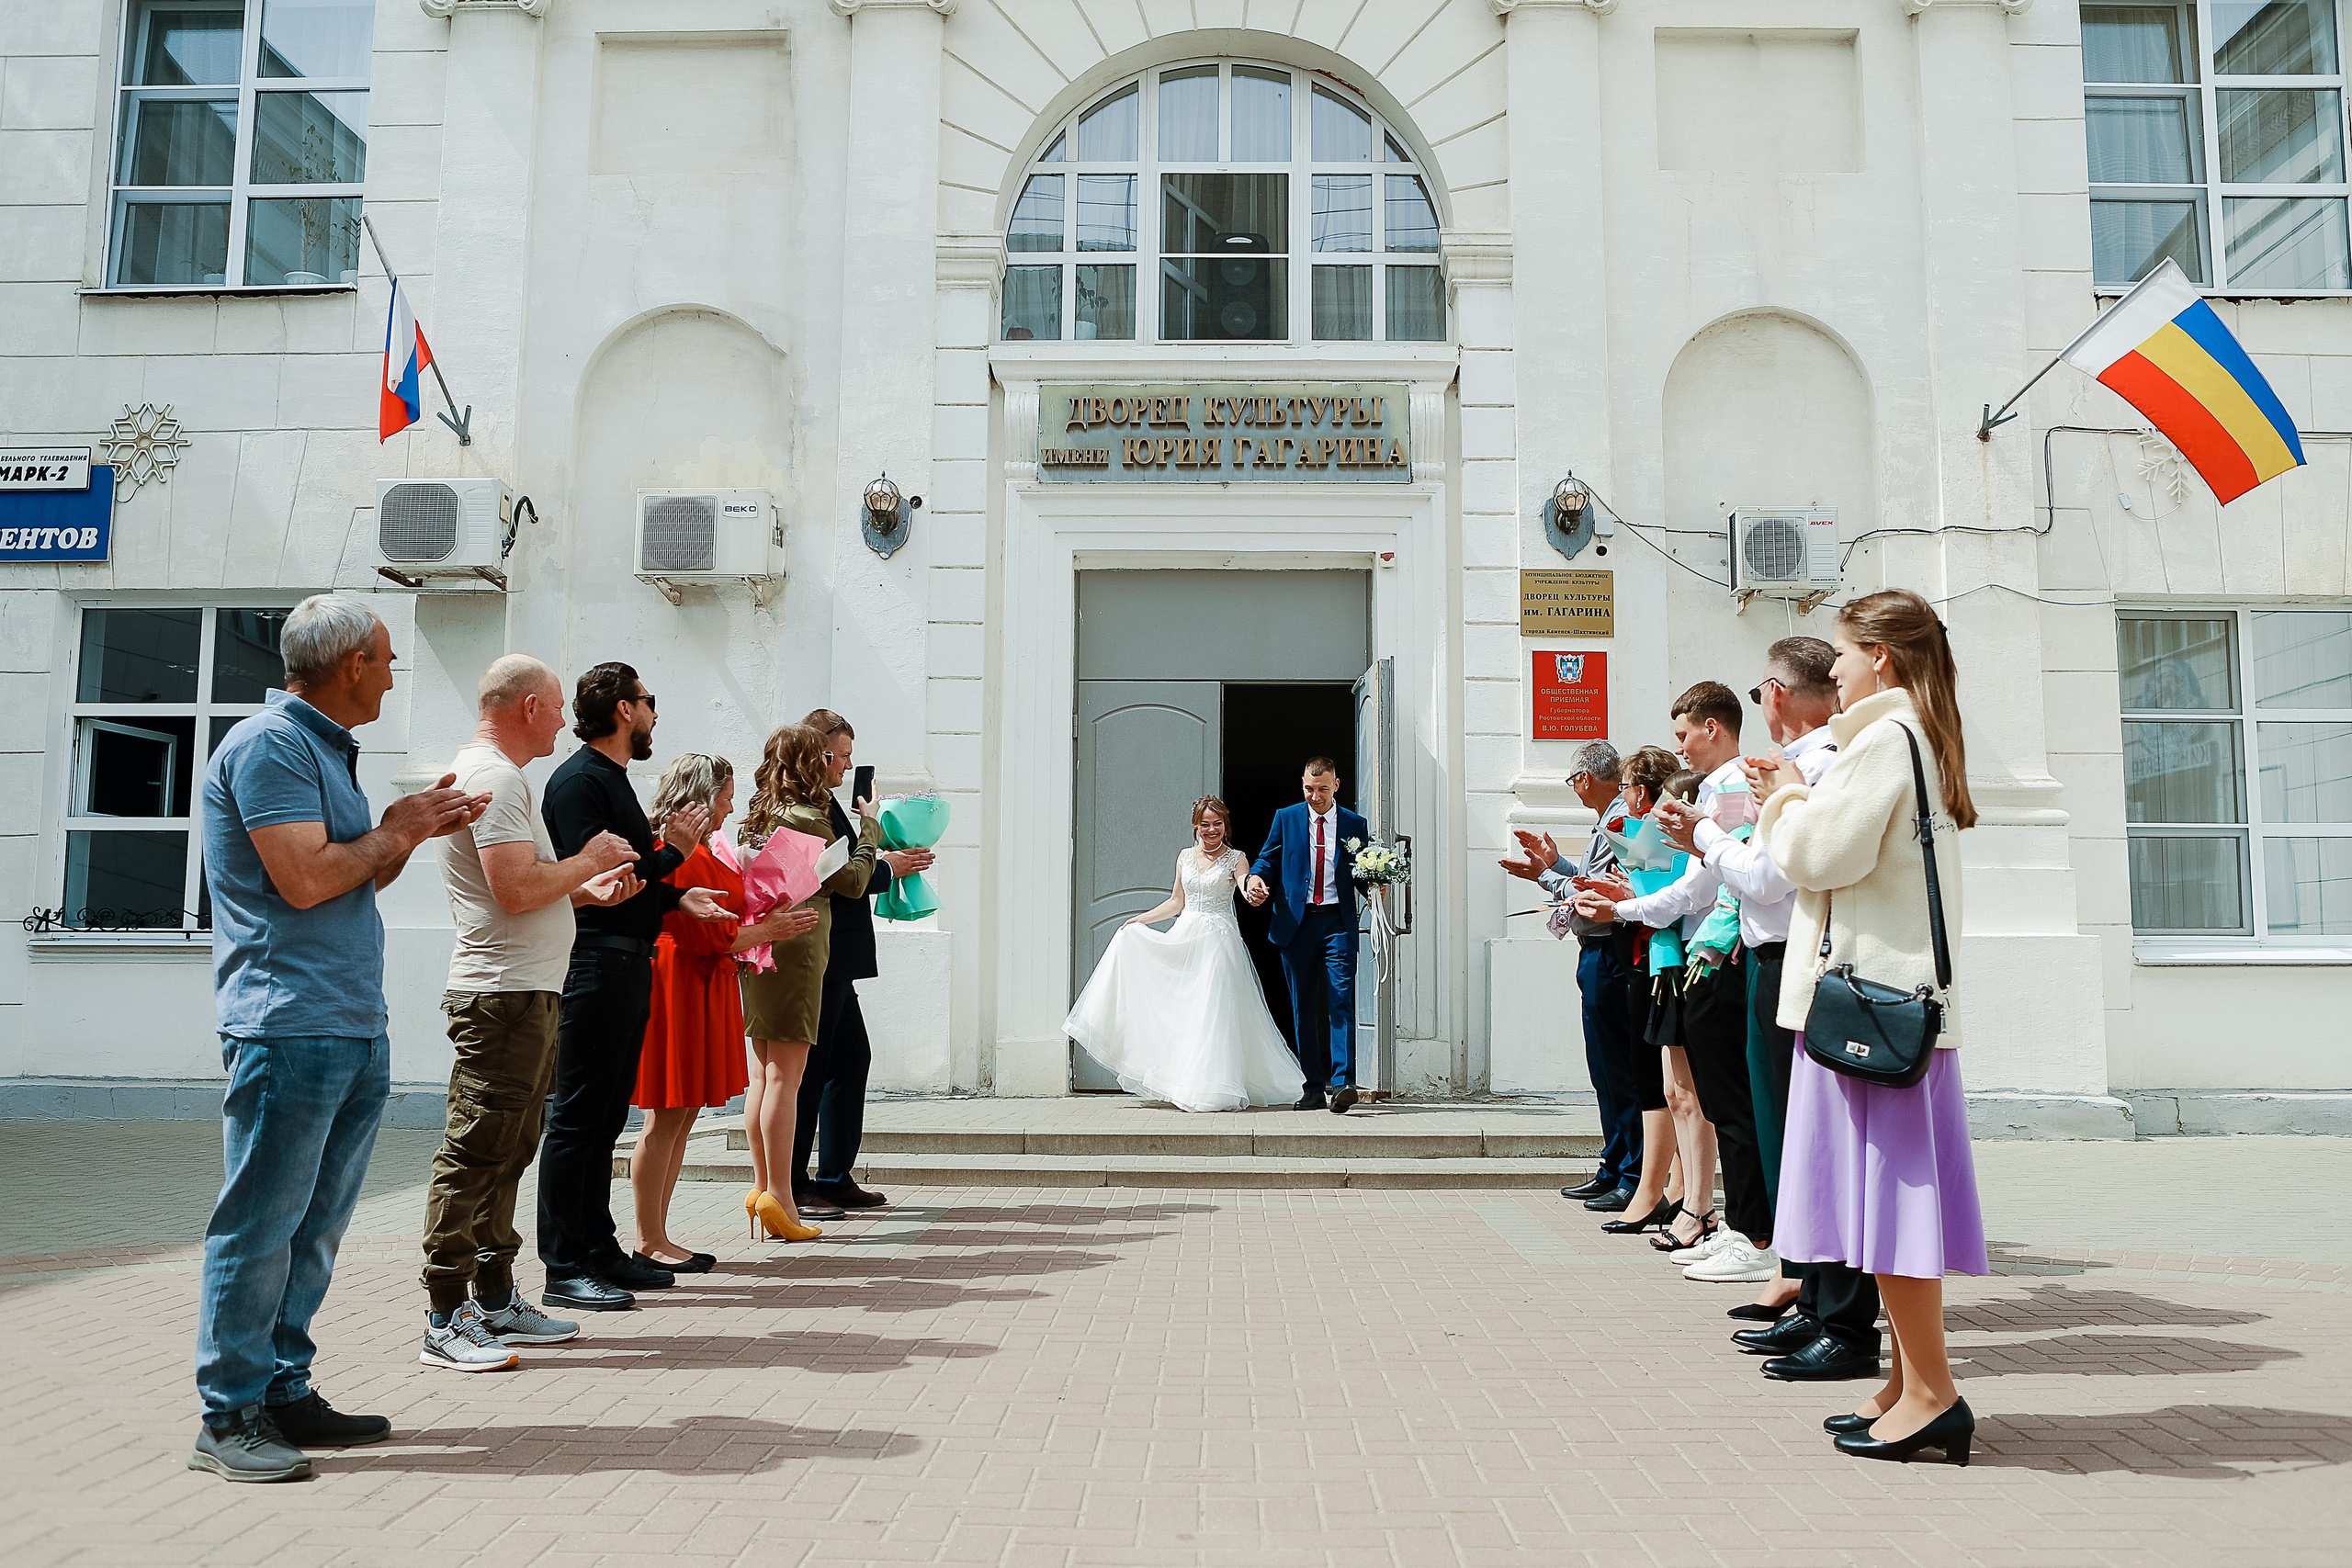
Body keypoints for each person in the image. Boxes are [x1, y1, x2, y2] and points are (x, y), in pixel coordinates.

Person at [191, 595, 488, 1482]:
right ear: (352, 663)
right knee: (260, 1225)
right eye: (389, 659)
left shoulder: (321, 750)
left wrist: (409, 827)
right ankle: (229, 1411)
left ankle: (283, 1388)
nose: (396, 675)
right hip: (288, 1025)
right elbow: (307, 878)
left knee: (314, 1228)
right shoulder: (268, 745)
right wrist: (394, 829)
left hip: (347, 1022)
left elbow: (353, 872)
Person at [1752, 588, 1986, 1465]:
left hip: (1870, 1011)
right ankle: (1906, 1384)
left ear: (1880, 657)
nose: (1837, 667)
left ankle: (1932, 1392)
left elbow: (1818, 854)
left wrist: (1783, 798)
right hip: (1886, 1007)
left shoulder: (1884, 739)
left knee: (1890, 1211)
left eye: (1845, 653)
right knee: (1882, 1209)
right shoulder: (1908, 736)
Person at [1658, 639, 1884, 1367]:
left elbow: (1766, 876)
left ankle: (1836, 1309)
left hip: (1796, 956)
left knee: (1805, 1140)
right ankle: (1815, 1295)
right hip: (1773, 957)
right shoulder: (1801, 764)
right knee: (1793, 1137)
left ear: (1776, 693)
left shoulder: (1819, 763)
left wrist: (1704, 834)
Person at [419, 656, 643, 1374]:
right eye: (553, 706)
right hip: (502, 996)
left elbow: (519, 892)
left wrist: (584, 892)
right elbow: (514, 891)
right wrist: (589, 861)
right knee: (477, 1150)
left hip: (524, 990)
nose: (561, 719)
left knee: (509, 1150)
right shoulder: (494, 777)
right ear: (525, 706)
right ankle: (445, 1314)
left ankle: (493, 1297)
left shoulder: (502, 778)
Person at [537, 662, 732, 1313]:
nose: (655, 713)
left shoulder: (612, 779)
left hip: (625, 961)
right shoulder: (579, 783)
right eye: (649, 701)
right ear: (625, 709)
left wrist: (677, 896)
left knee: (604, 1120)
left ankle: (600, 1248)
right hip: (593, 963)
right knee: (575, 1119)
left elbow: (636, 884)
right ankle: (564, 1263)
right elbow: (608, 885)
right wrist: (674, 853)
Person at [1576, 683, 1775, 1284]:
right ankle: (1733, 1222)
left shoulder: (1735, 787)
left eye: (1686, 733)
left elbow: (1708, 888)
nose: (1680, 747)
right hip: (1702, 947)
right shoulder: (1718, 789)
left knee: (1730, 1104)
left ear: (1713, 727)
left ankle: (1746, 1230)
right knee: (1711, 1098)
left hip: (1720, 951)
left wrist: (1626, 908)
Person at [630, 753, 820, 1267]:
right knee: (666, 1115)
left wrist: (767, 915)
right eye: (726, 795)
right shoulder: (679, 850)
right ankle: (650, 1238)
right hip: (680, 979)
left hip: (704, 980)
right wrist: (769, 931)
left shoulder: (695, 848)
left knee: (684, 1114)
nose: (732, 805)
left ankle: (659, 1235)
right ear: (703, 796)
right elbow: (711, 934)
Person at [1065, 795, 1307, 1111]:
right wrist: (1141, 919)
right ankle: (1184, 1083)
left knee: (1213, 1012)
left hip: (1219, 942)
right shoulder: (1185, 857)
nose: (1211, 830)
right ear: (1196, 826)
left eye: (1217, 824)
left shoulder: (1236, 858)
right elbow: (1176, 902)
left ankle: (1214, 1086)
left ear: (1226, 825)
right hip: (1186, 935)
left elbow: (1245, 885)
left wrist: (1253, 891)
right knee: (1186, 1011)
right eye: (1205, 824)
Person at [735, 723, 882, 1241]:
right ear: (810, 761)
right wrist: (869, 828)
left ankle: (763, 1188)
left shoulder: (757, 815)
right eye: (829, 756)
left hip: (759, 947)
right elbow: (855, 881)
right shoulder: (808, 820)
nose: (836, 764)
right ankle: (783, 1198)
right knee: (786, 1079)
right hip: (796, 949)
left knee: (762, 1075)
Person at [790, 710, 933, 1218]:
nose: (849, 765)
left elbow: (852, 866)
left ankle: (833, 1175)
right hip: (820, 954)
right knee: (809, 1071)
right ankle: (794, 1182)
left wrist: (888, 860)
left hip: (840, 954)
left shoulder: (829, 800)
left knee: (850, 1059)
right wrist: (886, 866)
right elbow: (841, 878)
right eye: (843, 754)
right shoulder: (807, 805)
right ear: (820, 752)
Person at [1498, 740, 1643, 1208]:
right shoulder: (1609, 818)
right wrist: (1554, 864)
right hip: (1597, 951)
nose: (1575, 789)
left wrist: (1543, 874)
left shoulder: (1621, 817)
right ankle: (1614, 1162)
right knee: (1604, 1069)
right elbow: (1582, 876)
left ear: (1584, 778)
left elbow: (1588, 891)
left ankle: (1631, 1172)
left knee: (1619, 1069)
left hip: (1611, 952)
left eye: (1573, 780)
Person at [1242, 759, 1369, 1113]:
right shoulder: (1286, 817)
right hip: (1296, 924)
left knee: (1341, 998)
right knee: (1303, 1008)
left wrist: (1375, 885)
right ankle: (1313, 1087)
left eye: (1323, 789)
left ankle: (1344, 1083)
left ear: (1337, 785)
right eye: (1309, 789)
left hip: (1336, 924)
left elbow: (1362, 868)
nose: (1315, 796)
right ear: (1302, 784)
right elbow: (1267, 859)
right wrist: (1255, 879)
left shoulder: (1355, 824)